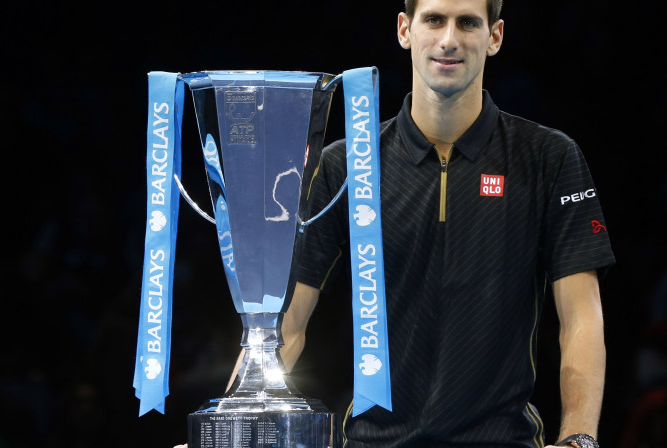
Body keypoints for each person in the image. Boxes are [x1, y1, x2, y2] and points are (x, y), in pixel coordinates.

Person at [177, 0, 614, 446]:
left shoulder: (549, 159)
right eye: (434, 20)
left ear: (495, 36)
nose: (449, 39)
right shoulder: (345, 166)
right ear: (405, 30)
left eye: (467, 23)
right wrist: (233, 432)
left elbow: (581, 318)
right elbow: (282, 324)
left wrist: (579, 437)